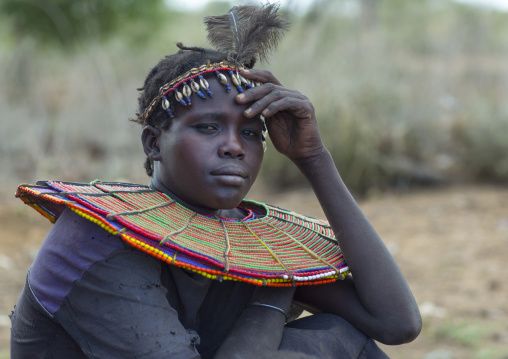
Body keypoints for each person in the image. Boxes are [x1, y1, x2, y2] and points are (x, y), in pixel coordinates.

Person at [10, 4, 421, 358]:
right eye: (208, 128)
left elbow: (396, 322)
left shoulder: (245, 233)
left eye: (251, 134)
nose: (234, 148)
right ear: (153, 143)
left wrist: (314, 159)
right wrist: (275, 286)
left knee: (343, 339)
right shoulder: (96, 238)